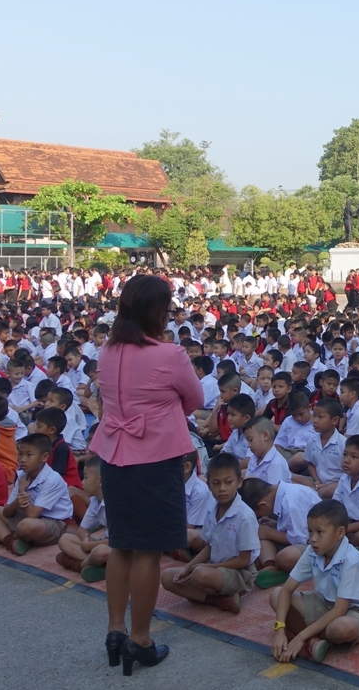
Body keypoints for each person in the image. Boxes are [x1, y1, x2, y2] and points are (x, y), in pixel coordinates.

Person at [90, 274, 204, 674]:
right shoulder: (169, 354)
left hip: (113, 454)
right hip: (154, 456)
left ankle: (114, 630)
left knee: (121, 544)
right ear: (158, 310)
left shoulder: (107, 351)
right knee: (149, 552)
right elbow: (196, 399)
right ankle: (140, 639)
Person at [268, 499, 359, 665]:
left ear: (340, 533)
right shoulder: (312, 551)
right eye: (310, 531)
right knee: (276, 595)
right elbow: (286, 590)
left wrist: (299, 637)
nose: (313, 538)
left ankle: (305, 637)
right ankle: (313, 641)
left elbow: (339, 610)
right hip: (324, 603)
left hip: (354, 611)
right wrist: (279, 629)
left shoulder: (351, 560)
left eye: (320, 532)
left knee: (341, 628)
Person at [160, 452, 259, 615]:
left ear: (239, 482)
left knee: (199, 575)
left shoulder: (244, 516)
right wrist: (188, 568)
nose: (222, 489)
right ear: (208, 485)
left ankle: (208, 592)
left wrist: (208, 567)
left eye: (228, 482)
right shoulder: (212, 510)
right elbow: (209, 547)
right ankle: (219, 600)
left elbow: (244, 560)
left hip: (240, 573)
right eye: (216, 483)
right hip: (215, 569)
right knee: (168, 578)